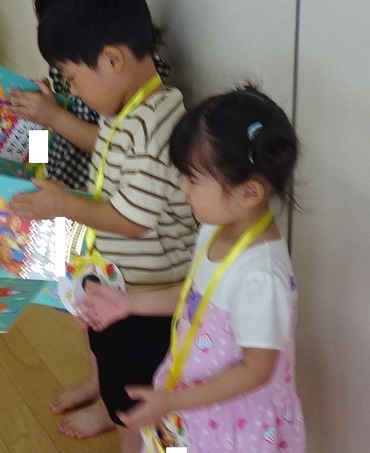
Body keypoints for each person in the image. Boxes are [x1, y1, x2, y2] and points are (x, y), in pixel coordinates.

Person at [8, 0, 197, 452]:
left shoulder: (156, 126)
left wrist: (61, 204)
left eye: (73, 79)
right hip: (120, 287)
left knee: (137, 404)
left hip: (148, 302)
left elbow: (133, 220)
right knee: (119, 390)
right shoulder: (130, 111)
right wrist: (54, 121)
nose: (73, 91)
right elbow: (107, 150)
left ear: (112, 59)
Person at [78, 86, 306, 452]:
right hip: (196, 404)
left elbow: (257, 370)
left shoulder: (261, 277)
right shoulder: (216, 228)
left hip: (236, 424)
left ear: (249, 192)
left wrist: (172, 401)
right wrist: (129, 303)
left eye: (192, 179)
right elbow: (195, 296)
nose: (182, 188)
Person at [8, 0, 170, 191]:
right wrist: (37, 125)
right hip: (55, 181)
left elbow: (114, 145)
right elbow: (49, 144)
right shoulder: (72, 65)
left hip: (86, 195)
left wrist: (55, 117)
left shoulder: (136, 81)